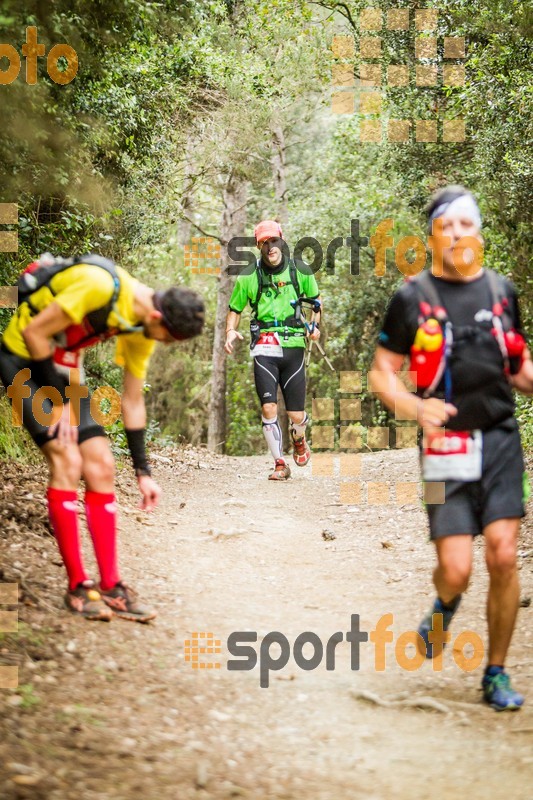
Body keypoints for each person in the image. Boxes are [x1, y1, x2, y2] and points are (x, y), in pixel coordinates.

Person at [371, 186, 533, 710]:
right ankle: (445, 604)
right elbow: (382, 375)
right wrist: (416, 409)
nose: (458, 233)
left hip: (501, 439)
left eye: (466, 223)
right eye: (447, 225)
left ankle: (495, 673)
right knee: (458, 567)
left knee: (504, 555)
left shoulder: (502, 292)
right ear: (434, 234)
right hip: (443, 449)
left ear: (478, 230)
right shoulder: (411, 298)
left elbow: (519, 367)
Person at [0, 253, 205, 622]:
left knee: (103, 466)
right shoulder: (98, 286)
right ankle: (78, 586)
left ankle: (112, 586)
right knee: (68, 458)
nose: (165, 344)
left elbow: (132, 399)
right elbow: (34, 333)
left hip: (63, 372)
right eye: (169, 339)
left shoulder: (140, 328)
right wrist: (59, 403)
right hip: (20, 359)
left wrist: (143, 471)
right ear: (158, 318)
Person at [224, 220, 321, 480]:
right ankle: (279, 463)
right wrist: (230, 331)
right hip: (265, 345)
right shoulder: (249, 276)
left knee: (295, 414)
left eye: (273, 241)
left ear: (281, 240)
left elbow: (315, 304)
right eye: (263, 243)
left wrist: (314, 326)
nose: (270, 247)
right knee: (268, 407)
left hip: (293, 345)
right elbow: (235, 309)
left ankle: (299, 439)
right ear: (258, 246)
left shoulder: (300, 270)